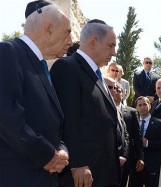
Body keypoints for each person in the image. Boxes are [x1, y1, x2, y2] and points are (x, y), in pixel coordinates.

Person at [0, 1, 72, 186]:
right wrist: (47, 156)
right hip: (18, 176)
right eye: (67, 32)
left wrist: (61, 151)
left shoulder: (40, 66)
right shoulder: (7, 52)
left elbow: (51, 123)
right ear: (48, 29)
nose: (70, 41)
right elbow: (6, 115)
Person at [50, 20, 122, 186]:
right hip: (84, 174)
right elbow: (68, 120)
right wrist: (78, 163)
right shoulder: (67, 67)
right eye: (111, 45)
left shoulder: (97, 74)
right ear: (93, 42)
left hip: (103, 171)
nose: (114, 52)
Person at [111, 83, 144, 187]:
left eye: (119, 90)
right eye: (113, 89)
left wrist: (140, 157)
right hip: (107, 157)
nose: (115, 92)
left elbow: (137, 137)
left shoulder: (132, 112)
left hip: (126, 159)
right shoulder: (103, 109)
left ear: (123, 94)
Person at [135, 96, 161, 187]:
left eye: (145, 104)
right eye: (140, 105)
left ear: (150, 105)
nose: (143, 107)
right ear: (137, 108)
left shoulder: (159, 123)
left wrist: (148, 143)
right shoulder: (133, 123)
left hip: (152, 166)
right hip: (135, 166)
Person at [104, 76, 130, 166]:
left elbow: (125, 135)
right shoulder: (94, 109)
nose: (114, 91)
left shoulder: (118, 110)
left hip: (119, 162)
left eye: (115, 88)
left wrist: (124, 155)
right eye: (110, 87)